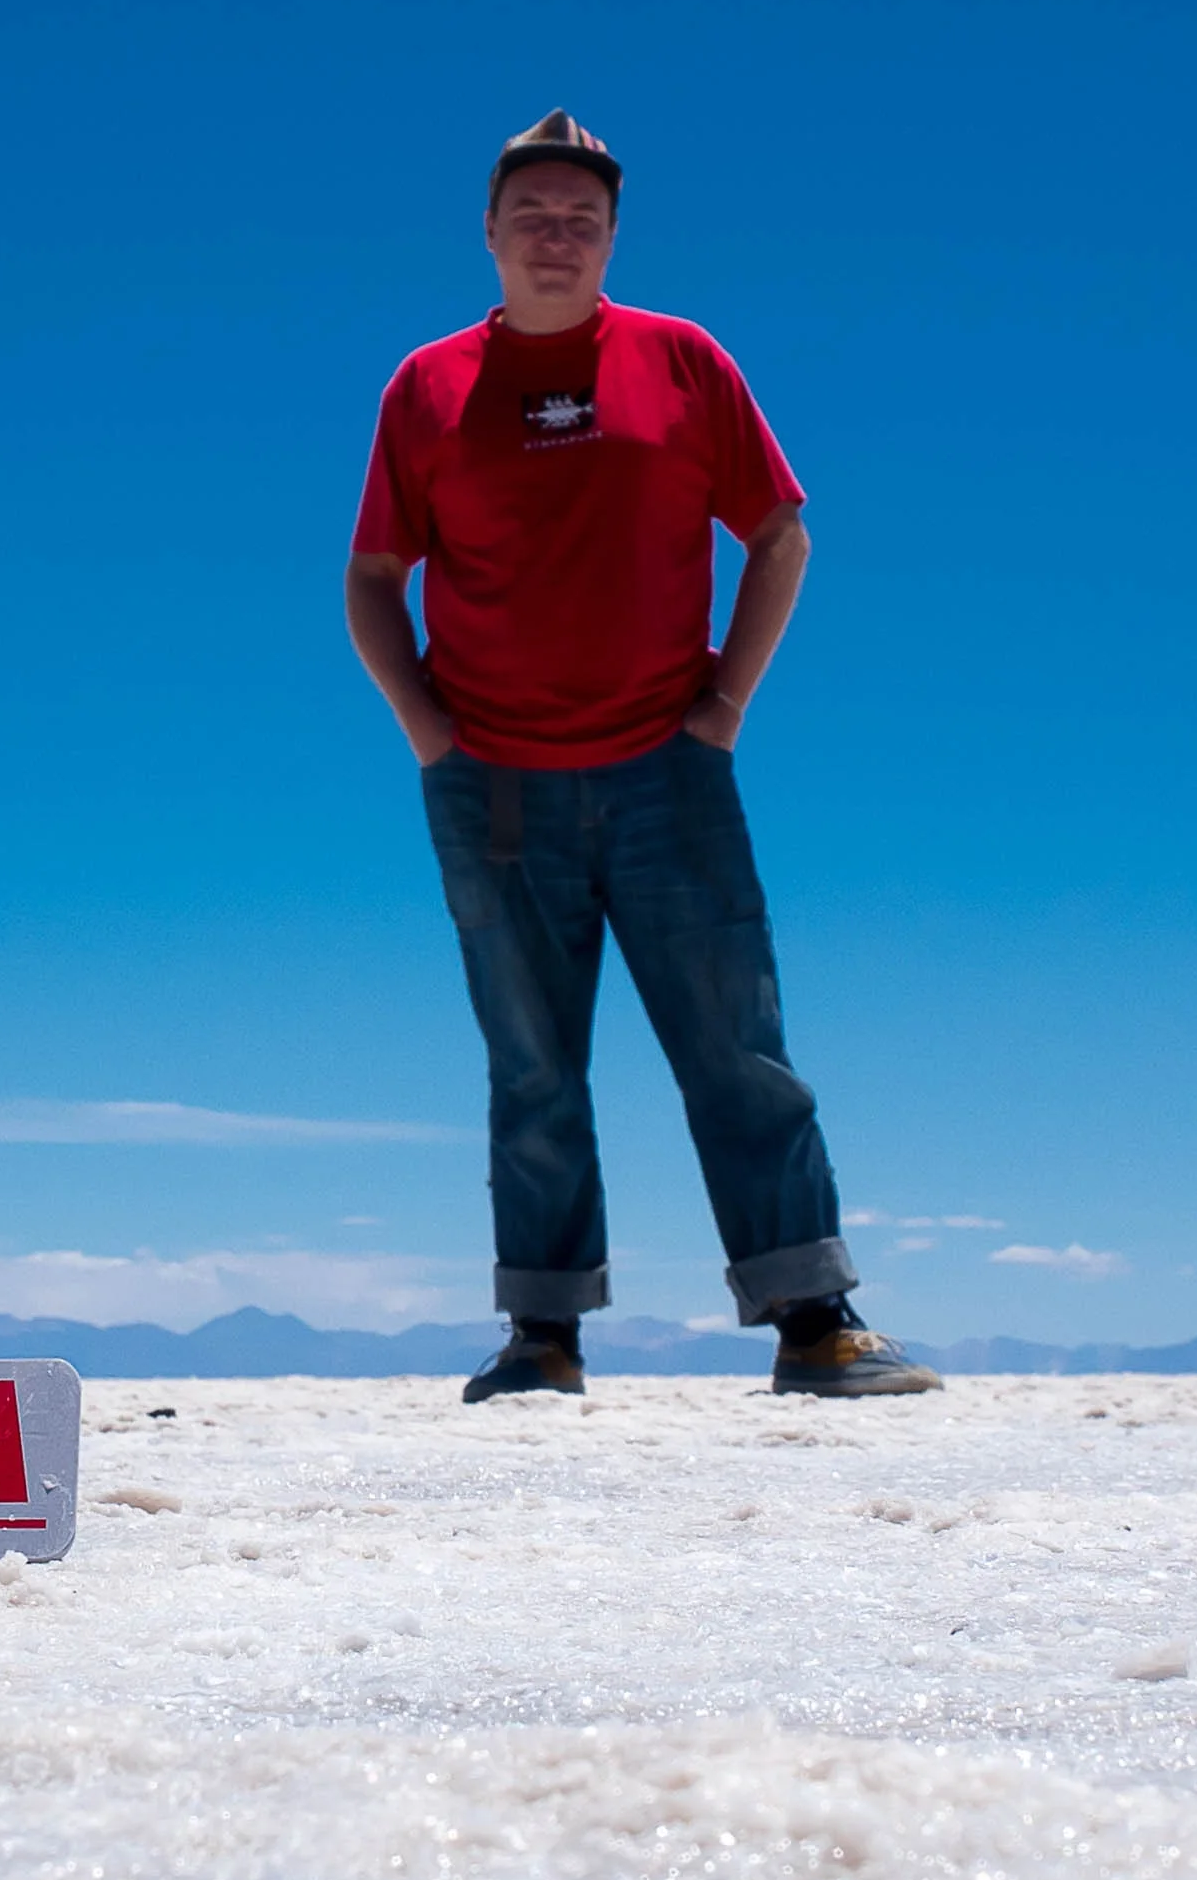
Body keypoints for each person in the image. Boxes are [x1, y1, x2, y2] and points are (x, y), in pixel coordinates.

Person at [347, 111, 936, 1403]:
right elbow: (373, 576)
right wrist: (428, 731)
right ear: (488, 234)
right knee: (531, 1067)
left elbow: (778, 530)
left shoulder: (680, 360)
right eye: (532, 216)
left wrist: (723, 703)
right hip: (492, 783)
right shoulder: (428, 385)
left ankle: (810, 1318)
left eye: (583, 220)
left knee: (736, 1048)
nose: (557, 237)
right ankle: (541, 1336)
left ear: (611, 237)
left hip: (667, 770)